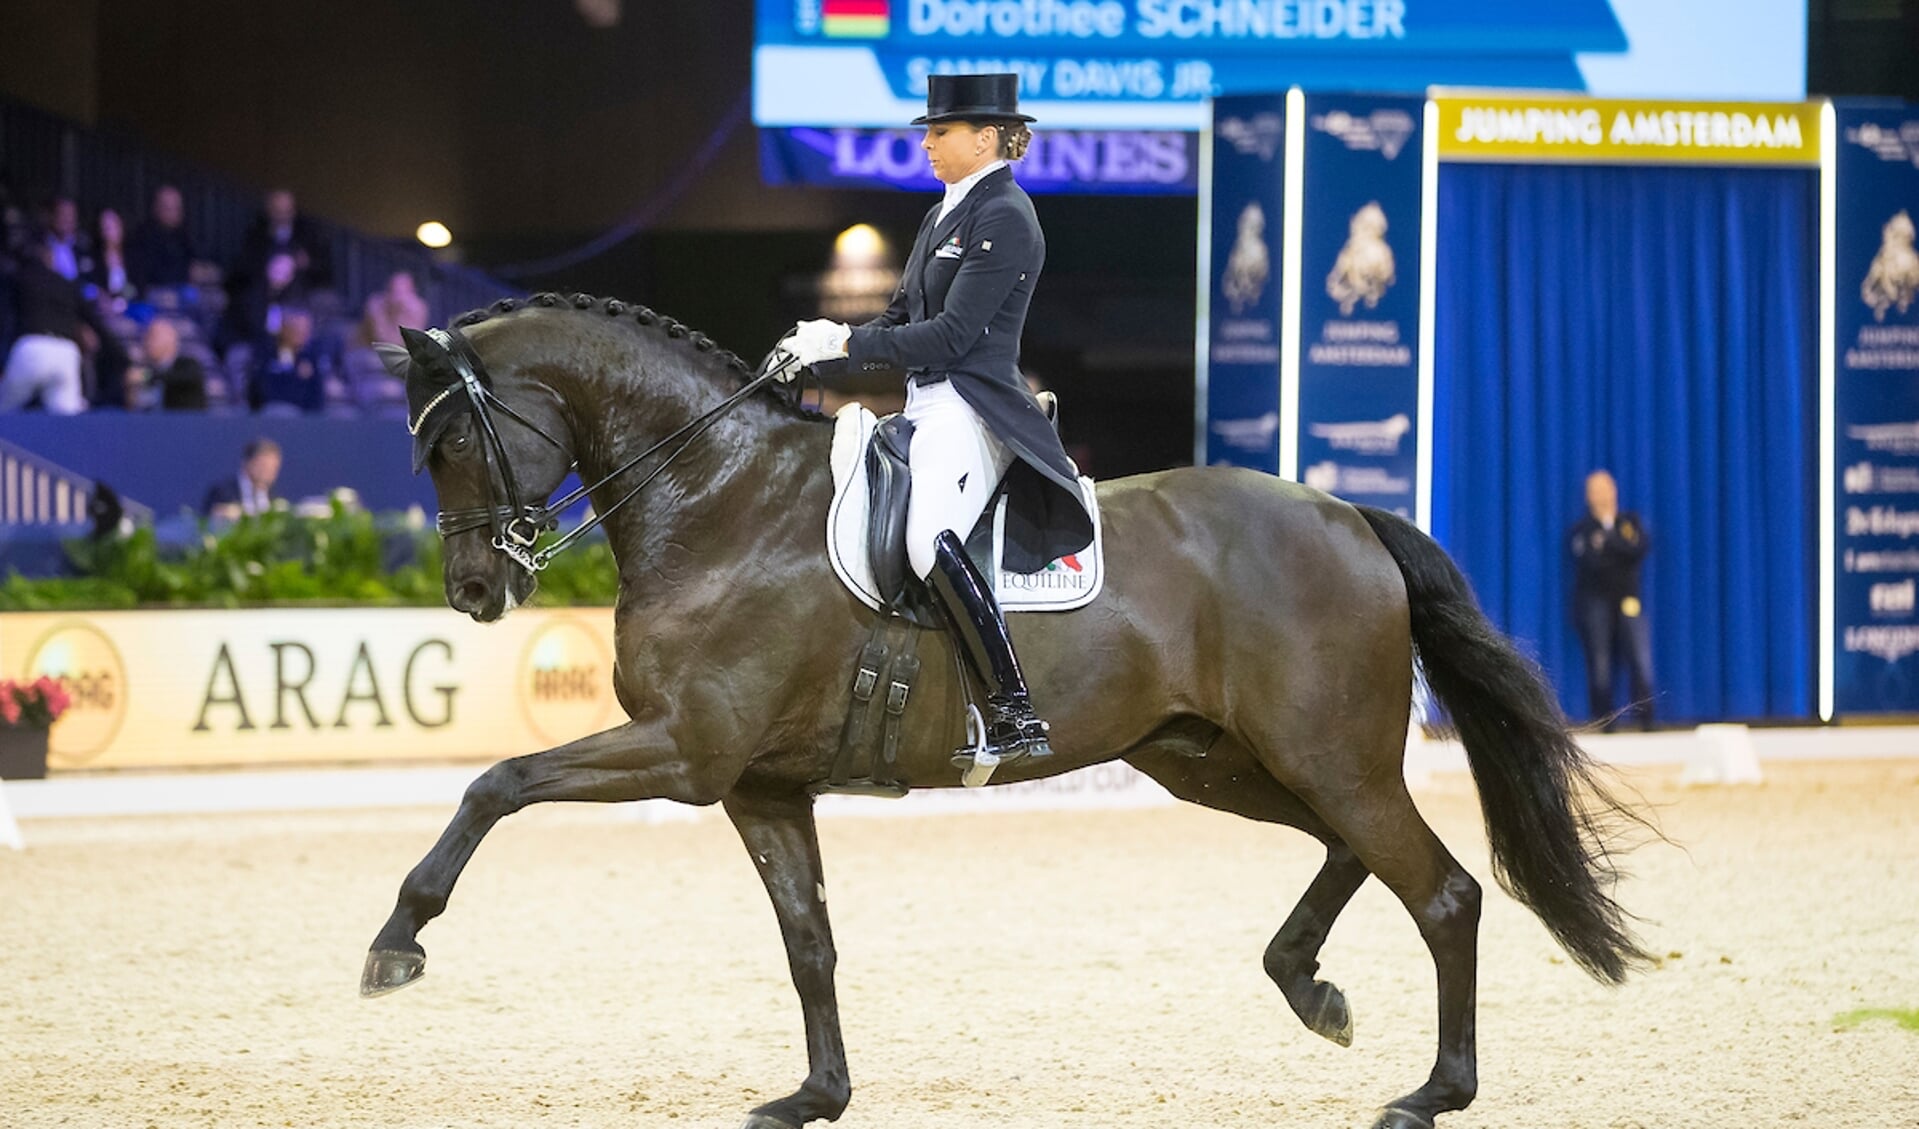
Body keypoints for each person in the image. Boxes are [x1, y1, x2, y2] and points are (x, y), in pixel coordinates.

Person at [772, 73, 1093, 765]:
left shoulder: (1005, 215)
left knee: (926, 540)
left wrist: (848, 343)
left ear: (984, 138)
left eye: (938, 131)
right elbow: (897, 319)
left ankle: (1012, 708)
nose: (925, 142)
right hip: (924, 406)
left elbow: (950, 338)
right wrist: (824, 343)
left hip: (973, 405)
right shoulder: (940, 213)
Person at [1569, 470, 1655, 729]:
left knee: (1640, 659)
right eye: (1595, 490)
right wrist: (1618, 550)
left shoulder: (1630, 522)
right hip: (1596, 602)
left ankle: (1646, 720)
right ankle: (1604, 722)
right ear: (1588, 497)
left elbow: (1637, 550)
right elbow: (1591, 562)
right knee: (1600, 662)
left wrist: (1608, 542)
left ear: (1614, 491)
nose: (1601, 495)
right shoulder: (1582, 530)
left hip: (1629, 600)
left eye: (1605, 488)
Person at [0, 241, 102, 414]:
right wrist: (124, 358)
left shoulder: (17, 279)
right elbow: (96, 323)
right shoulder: (65, 283)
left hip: (31, 348)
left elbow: (5, 322)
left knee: (4, 410)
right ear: (49, 257)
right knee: (67, 418)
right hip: (66, 352)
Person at [127, 184, 210, 291]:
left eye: (177, 208)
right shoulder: (144, 236)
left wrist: (203, 270)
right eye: (168, 208)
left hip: (185, 287)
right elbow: (149, 273)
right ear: (156, 208)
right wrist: (186, 273)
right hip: (156, 290)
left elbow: (192, 260)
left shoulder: (181, 235)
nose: (174, 213)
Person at [131, 318, 208, 411]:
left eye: (152, 336)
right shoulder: (148, 370)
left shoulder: (188, 365)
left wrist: (145, 375)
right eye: (146, 337)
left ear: (171, 340)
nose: (147, 342)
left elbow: (172, 377)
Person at [203, 437, 283, 519]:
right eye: (263, 466)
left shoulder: (275, 498)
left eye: (274, 468)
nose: (268, 472)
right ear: (247, 462)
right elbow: (207, 522)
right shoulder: (222, 492)